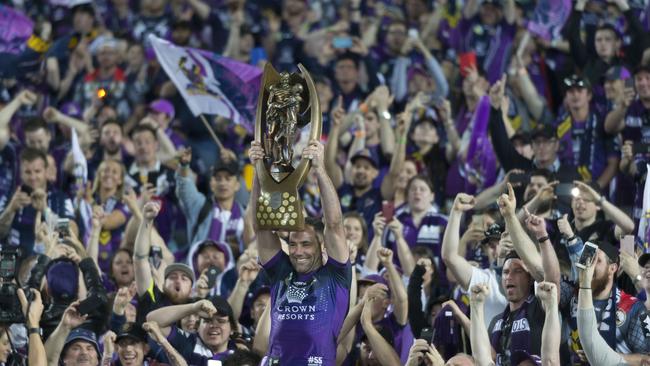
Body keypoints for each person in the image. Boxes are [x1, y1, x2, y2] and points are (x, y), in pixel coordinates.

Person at [248, 139, 351, 365]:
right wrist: (258, 170)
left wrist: (320, 170)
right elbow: (261, 226)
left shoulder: (335, 275)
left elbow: (334, 224)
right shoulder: (281, 272)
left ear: (321, 246)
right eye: (293, 244)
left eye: (306, 244)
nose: (297, 251)